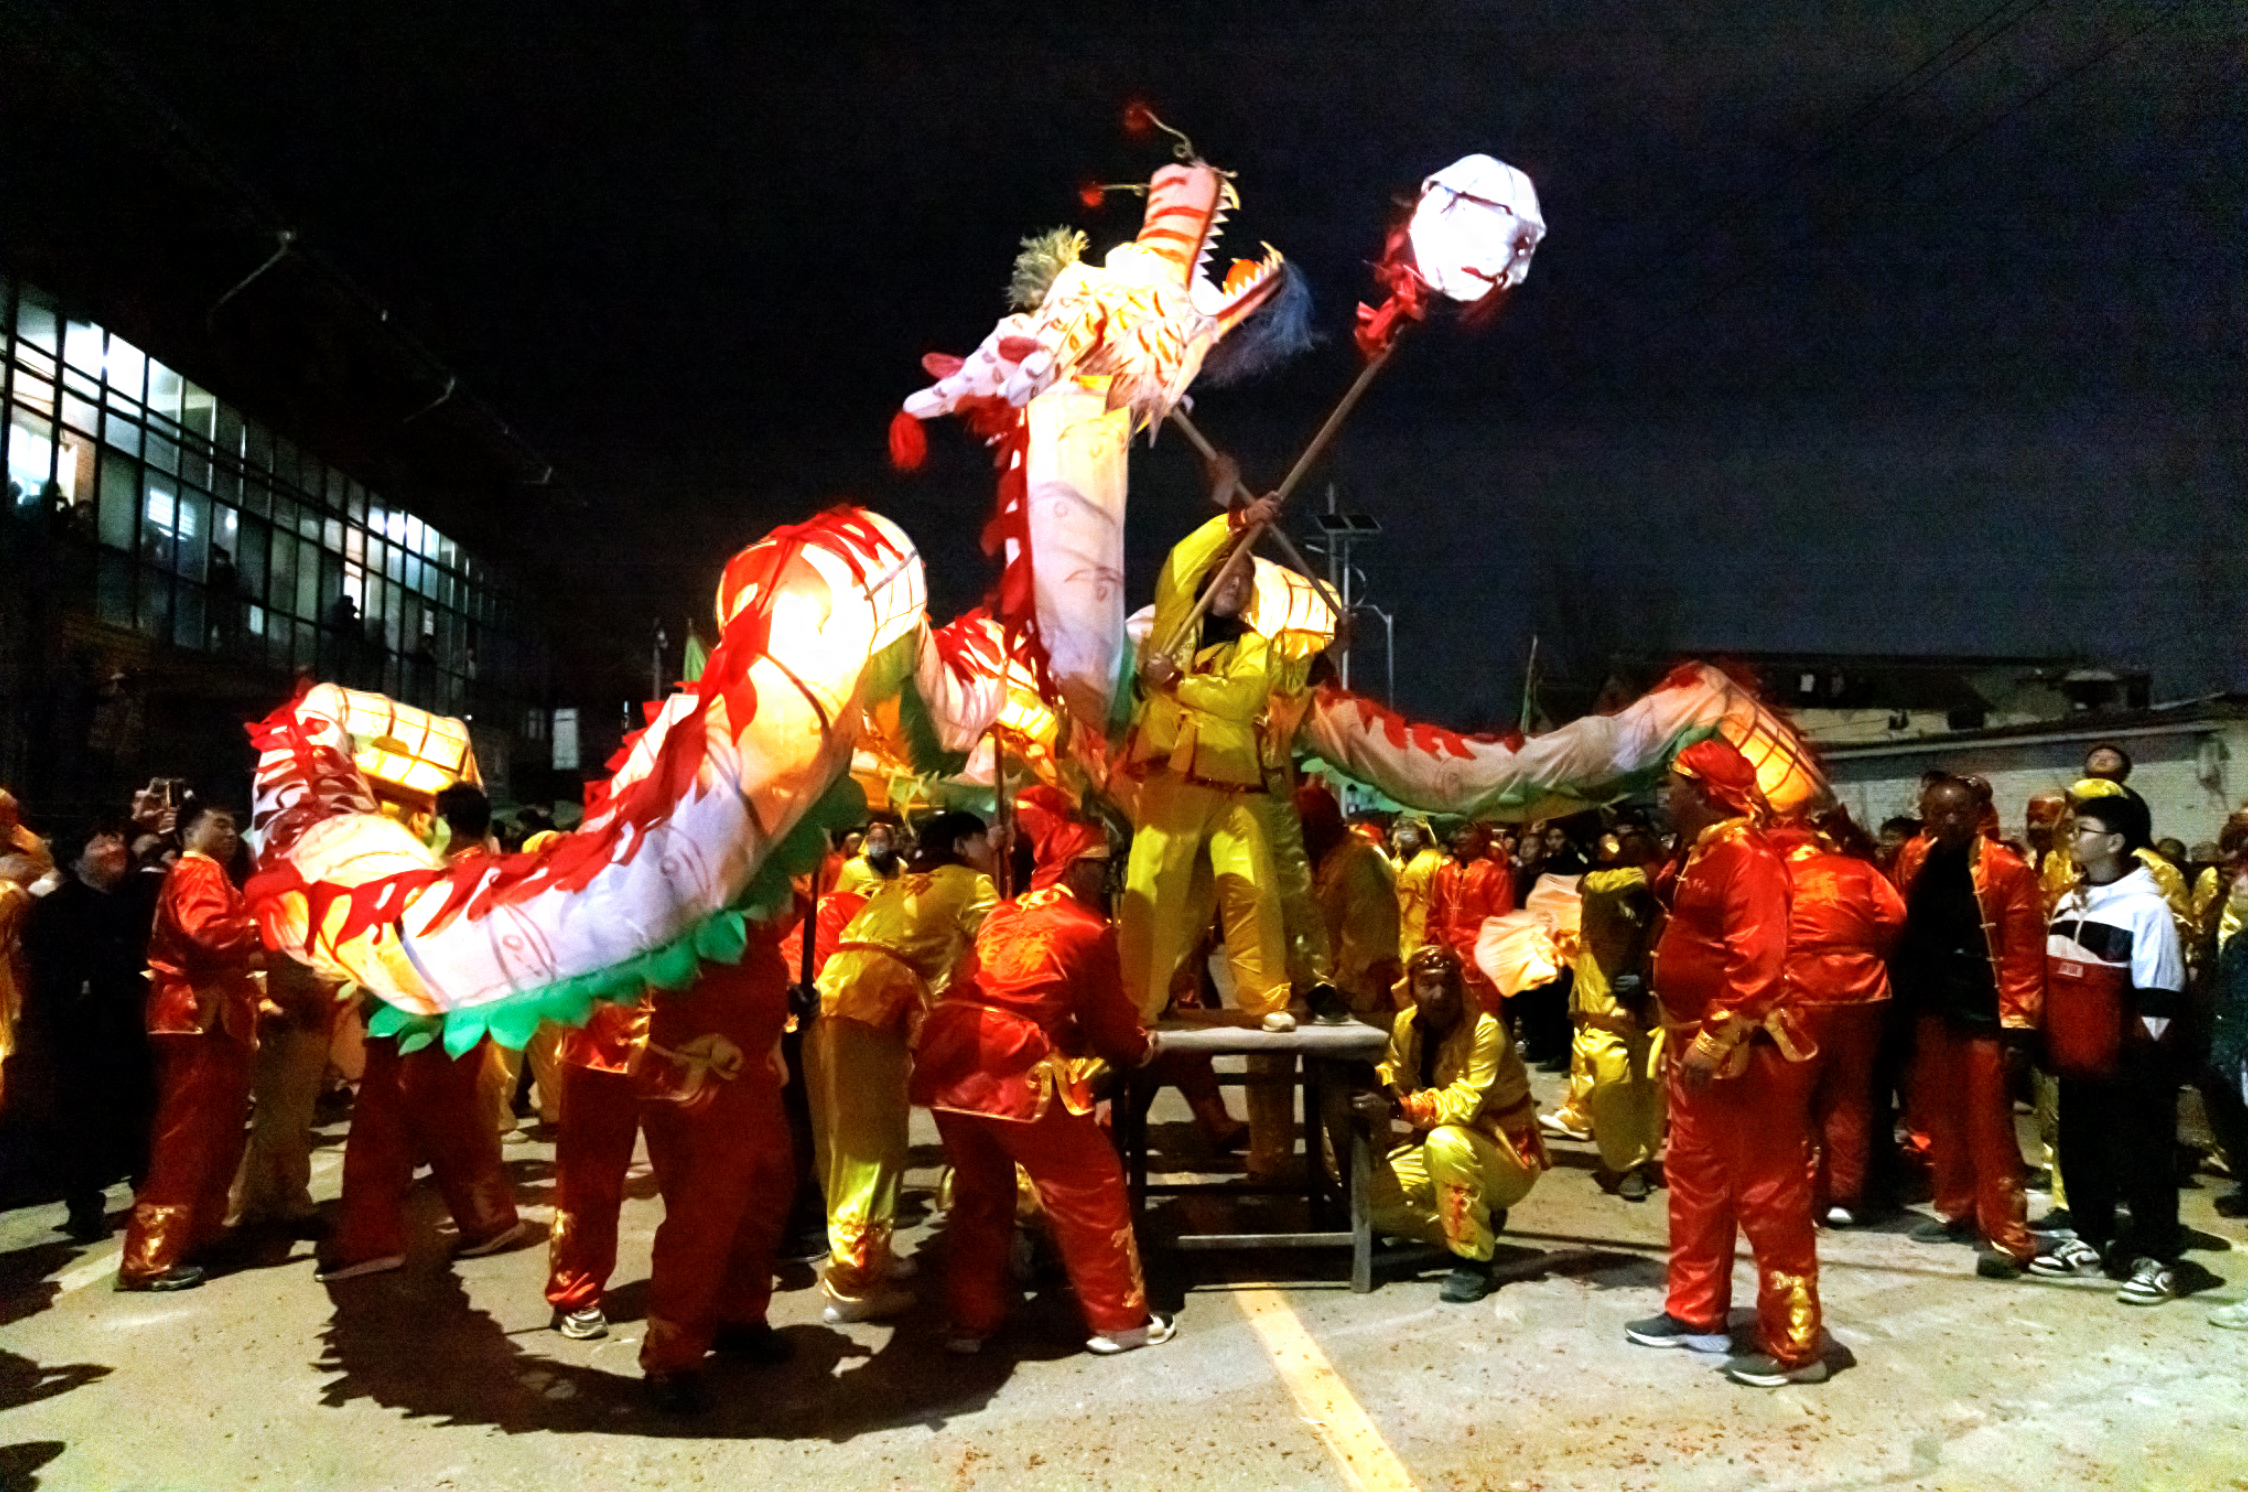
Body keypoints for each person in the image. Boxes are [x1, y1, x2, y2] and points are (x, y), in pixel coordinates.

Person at [912, 790, 1171, 1355]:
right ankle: (1120, 1320)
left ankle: (970, 1321)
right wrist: (1147, 1048)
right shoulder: (1087, 928)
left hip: (948, 1049)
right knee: (1089, 1182)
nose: (1108, 882)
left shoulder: (1005, 910)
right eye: (1102, 870)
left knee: (980, 1194)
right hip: (1010, 1060)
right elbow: (1114, 1033)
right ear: (1077, 868)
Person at [1625, 740, 1824, 1387]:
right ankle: (1694, 1310)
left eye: (1674, 783)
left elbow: (1758, 964)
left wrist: (1715, 1037)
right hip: (1695, 1050)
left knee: (1768, 1193)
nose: (1664, 794)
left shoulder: (1746, 858)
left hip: (1749, 1056)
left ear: (1705, 792)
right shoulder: (1701, 854)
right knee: (1695, 1181)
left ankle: (1795, 1344)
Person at [1117, 484, 1294, 1176]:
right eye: (1228, 572)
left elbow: (1245, 697)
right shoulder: (1172, 624)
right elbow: (1179, 560)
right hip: (1173, 780)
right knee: (1153, 885)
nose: (1235, 585)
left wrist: (1173, 684)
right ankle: (1142, 1000)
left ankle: (1266, 1002)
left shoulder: (1256, 647)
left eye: (1245, 577)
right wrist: (1238, 521)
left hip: (1235, 783)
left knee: (1252, 889)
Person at [317, 785, 526, 1282]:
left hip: (423, 1019)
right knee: (449, 1122)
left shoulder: (447, 878)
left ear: (447, 824)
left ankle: (371, 1241)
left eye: (422, 818)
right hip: (463, 1018)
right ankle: (488, 1219)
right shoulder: (494, 873)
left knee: (381, 1126)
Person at [808, 809, 997, 1321]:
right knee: (870, 1146)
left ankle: (869, 1258)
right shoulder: (971, 884)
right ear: (963, 842)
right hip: (875, 1002)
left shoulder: (904, 884)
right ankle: (852, 1285)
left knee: (855, 1137)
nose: (993, 846)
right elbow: (1002, 949)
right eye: (985, 838)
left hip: (846, 995)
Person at [2029, 782, 2189, 1305]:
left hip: (2129, 1064)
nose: (2071, 837)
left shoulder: (2146, 909)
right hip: (2079, 1059)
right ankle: (2091, 1237)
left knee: (2144, 1157)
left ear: (2117, 841)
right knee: (2081, 1152)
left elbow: (2161, 993)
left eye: (2083, 829)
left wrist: (2140, 1060)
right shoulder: (2069, 901)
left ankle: (2158, 1257)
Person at [634, 920, 800, 1413]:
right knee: (703, 1216)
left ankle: (741, 1316)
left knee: (766, 1195)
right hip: (695, 1074)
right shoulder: (681, 879)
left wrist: (788, 998)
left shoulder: (757, 865)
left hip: (755, 1070)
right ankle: (672, 1357)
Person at [1886, 778, 2045, 1273]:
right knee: (1942, 1117)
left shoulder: (2006, 869)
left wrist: (2019, 1024)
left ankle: (2008, 1234)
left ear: (1979, 812)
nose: (1949, 821)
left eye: (1959, 812)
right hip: (1933, 1007)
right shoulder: (1914, 857)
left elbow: (2022, 951)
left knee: (1990, 1125)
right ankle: (1955, 1207)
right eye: (1939, 813)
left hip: (1985, 1012)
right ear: (1925, 815)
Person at [116, 801, 261, 1291]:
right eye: (219, 824)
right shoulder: (197, 872)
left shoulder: (208, 874)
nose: (231, 833)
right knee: (187, 1137)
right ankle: (150, 1257)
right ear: (187, 831)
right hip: (198, 1016)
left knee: (214, 1132)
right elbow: (209, 935)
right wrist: (267, 927)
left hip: (213, 1019)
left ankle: (196, 1235)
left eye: (235, 825)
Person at [1358, 944, 1547, 1303]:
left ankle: (1473, 1259)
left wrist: (1394, 1110)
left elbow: (1462, 1104)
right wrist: (1369, 1080)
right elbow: (1395, 1076)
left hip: (1506, 1150)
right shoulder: (1405, 1024)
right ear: (1411, 987)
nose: (1439, 994)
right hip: (1434, 1145)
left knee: (1446, 1141)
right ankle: (1480, 1224)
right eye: (1428, 984)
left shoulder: (1485, 1030)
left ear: (1461, 985)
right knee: (1365, 1199)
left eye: (1448, 983)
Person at [1769, 813, 1907, 1231]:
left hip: (1798, 993)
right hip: (1862, 992)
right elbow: (1894, 917)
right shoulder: (1859, 869)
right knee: (1850, 1096)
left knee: (1789, 1098)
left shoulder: (1773, 873)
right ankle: (1842, 1196)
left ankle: (1795, 1194)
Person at [20, 822, 153, 1240]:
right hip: (82, 1031)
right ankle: (85, 1205)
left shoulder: (140, 899)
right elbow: (45, 975)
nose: (114, 848)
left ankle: (146, 1195)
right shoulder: (54, 908)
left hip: (134, 1023)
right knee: (82, 1120)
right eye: (101, 842)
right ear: (75, 859)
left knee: (141, 1112)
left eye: (117, 840)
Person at [1549, 825, 1666, 1200]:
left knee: (1648, 1088)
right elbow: (1593, 886)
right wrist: (1649, 870)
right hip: (1602, 1005)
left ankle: (1644, 1157)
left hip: (1650, 1007)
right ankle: (1624, 1164)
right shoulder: (1603, 886)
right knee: (1613, 1086)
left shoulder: (1664, 897)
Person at [543, 1000, 651, 1340]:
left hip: (689, 1029)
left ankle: (707, 1295)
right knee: (591, 1176)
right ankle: (577, 1288)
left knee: (700, 1175)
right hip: (605, 1032)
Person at [1297, 784, 1402, 1021]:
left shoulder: (1361, 859)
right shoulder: (1319, 858)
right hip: (1326, 994)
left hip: (1360, 998)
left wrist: (1336, 989)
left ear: (1317, 827)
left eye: (1300, 830)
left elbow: (1366, 944)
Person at [1428, 824, 1514, 1015]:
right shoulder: (1445, 872)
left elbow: (1502, 923)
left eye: (1467, 831)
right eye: (1459, 831)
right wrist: (1434, 947)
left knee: (1480, 1017)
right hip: (1446, 959)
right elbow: (1433, 915)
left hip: (1479, 962)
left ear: (1482, 838)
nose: (1461, 836)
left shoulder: (1495, 874)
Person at [1392, 820, 1445, 959]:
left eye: (1409, 828)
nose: (1402, 834)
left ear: (1421, 833)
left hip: (1424, 939)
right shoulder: (1393, 864)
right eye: (1400, 829)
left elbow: (1442, 904)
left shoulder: (1435, 861)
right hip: (1396, 940)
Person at [833, 817, 904, 898]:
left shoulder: (901, 866)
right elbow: (838, 899)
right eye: (873, 839)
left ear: (891, 841)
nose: (877, 844)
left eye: (883, 839)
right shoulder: (851, 867)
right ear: (867, 840)